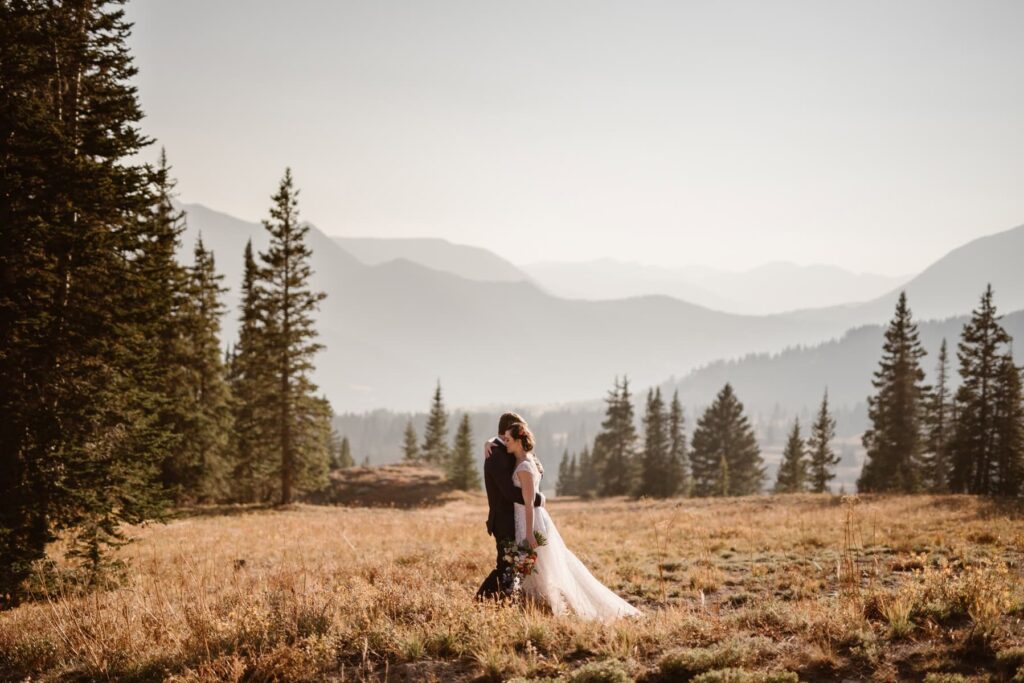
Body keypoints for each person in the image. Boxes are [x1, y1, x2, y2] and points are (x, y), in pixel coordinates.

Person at [504, 422, 641, 620]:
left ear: (518, 441)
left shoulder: (525, 466)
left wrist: (529, 533)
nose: (505, 442)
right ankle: (538, 609)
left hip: (530, 521)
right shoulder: (526, 460)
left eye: (508, 439)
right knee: (536, 569)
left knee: (543, 568)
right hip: (527, 519)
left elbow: (528, 502)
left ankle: (555, 610)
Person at [476, 412, 544, 600]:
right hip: (504, 519)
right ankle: (482, 601)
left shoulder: (508, 447)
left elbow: (535, 469)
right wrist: (538, 500)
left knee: (514, 565)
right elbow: (509, 493)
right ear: (508, 431)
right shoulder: (496, 453)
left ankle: (507, 600)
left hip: (517, 517)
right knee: (505, 565)